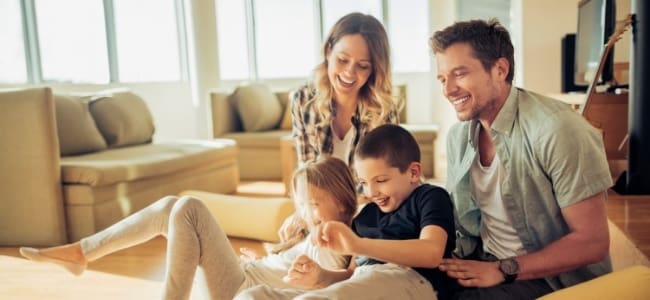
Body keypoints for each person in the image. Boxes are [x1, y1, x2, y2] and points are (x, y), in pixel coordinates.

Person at [431, 19, 613, 299]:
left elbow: (592, 242)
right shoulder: (459, 137)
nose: (448, 89)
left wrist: (503, 269)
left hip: (550, 281)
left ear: (500, 69)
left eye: (460, 74)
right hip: (483, 261)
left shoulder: (558, 130)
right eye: (443, 78)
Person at [19, 157, 358, 300]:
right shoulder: (312, 233)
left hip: (240, 288)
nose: (305, 212)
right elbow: (295, 266)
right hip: (244, 272)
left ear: (343, 202)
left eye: (314, 203)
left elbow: (318, 287)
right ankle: (83, 252)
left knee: (188, 208)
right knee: (171, 206)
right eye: (301, 203)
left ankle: (83, 254)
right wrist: (269, 258)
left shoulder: (338, 240)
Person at [237, 124, 457, 300]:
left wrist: (357, 244)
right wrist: (321, 276)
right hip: (363, 282)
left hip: (412, 282)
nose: (371, 192)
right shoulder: (366, 216)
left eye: (381, 180)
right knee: (252, 296)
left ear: (414, 172)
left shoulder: (430, 197)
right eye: (363, 182)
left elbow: (431, 253)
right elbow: (351, 275)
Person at [278, 11, 401, 250]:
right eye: (342, 60)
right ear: (328, 52)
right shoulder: (303, 99)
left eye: (362, 66)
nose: (349, 74)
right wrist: (304, 211)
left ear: (374, 69)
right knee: (289, 252)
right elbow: (308, 172)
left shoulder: (383, 110)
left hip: (368, 210)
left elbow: (386, 184)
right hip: (321, 210)